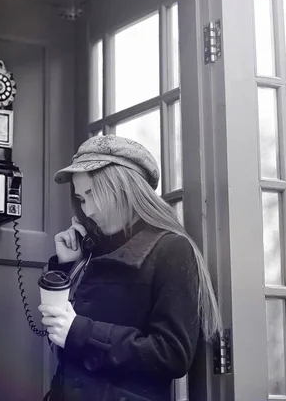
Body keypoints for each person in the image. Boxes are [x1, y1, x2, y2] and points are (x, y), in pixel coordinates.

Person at [38, 134, 221, 401]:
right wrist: (67, 267)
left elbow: (172, 354)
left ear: (125, 189)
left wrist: (80, 332)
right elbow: (59, 335)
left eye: (92, 194)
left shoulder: (171, 250)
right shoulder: (92, 251)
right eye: (81, 198)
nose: (88, 210)